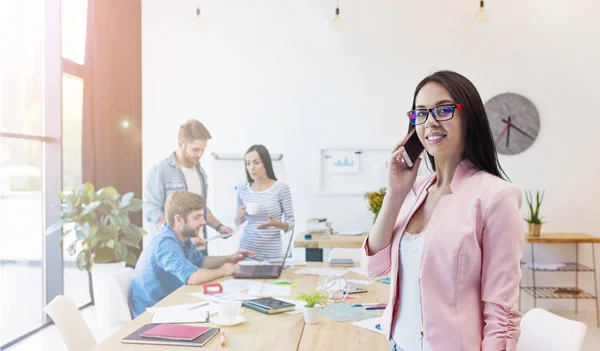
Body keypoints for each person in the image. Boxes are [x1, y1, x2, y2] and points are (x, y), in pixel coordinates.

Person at [362, 71, 524, 351]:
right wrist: (395, 193)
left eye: (444, 109)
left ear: (469, 117)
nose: (431, 122)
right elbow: (373, 268)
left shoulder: (496, 197)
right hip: (397, 343)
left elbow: (501, 311)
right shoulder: (415, 191)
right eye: (421, 113)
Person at [129, 191, 255, 318]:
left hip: (171, 303)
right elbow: (192, 277)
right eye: (197, 217)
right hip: (151, 314)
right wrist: (223, 271)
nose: (203, 222)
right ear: (179, 219)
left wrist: (230, 258)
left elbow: (201, 262)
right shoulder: (165, 243)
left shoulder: (182, 236)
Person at [144, 119, 233, 251]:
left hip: (199, 249)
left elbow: (201, 209)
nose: (200, 155)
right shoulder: (160, 171)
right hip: (174, 249)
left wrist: (219, 227)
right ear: (180, 144)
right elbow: (152, 211)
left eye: (203, 150)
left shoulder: (200, 172)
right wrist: (183, 236)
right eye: (195, 149)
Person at [234, 145, 295, 262]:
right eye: (248, 163)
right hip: (246, 253)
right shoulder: (242, 189)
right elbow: (238, 223)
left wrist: (276, 224)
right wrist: (240, 215)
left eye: (256, 163)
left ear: (266, 163)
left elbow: (291, 223)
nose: (252, 168)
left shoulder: (281, 188)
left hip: (272, 256)